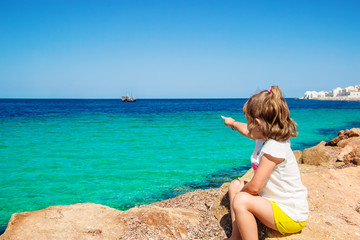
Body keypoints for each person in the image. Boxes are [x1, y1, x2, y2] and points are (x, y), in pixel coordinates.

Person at [221, 86, 308, 240]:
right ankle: (236, 237)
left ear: (258, 124)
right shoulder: (265, 137)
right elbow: (247, 131)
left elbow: (255, 187)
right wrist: (232, 123)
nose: (247, 126)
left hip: (289, 214)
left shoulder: (274, 147)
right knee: (235, 185)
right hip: (272, 203)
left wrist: (239, 198)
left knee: (241, 200)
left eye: (249, 122)